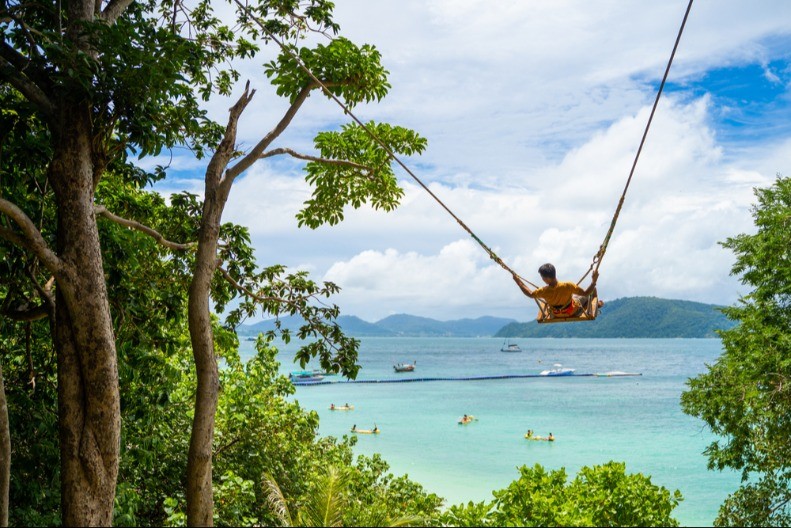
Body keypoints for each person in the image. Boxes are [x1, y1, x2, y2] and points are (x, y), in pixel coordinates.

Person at [513, 263, 603, 318]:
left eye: (542, 277)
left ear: (547, 278)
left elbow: (530, 294)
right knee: (590, 292)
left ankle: (596, 305)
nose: (542, 279)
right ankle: (597, 305)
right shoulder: (568, 286)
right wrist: (594, 281)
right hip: (572, 312)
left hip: (555, 314)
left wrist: (518, 282)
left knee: (575, 297)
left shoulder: (543, 291)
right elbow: (586, 293)